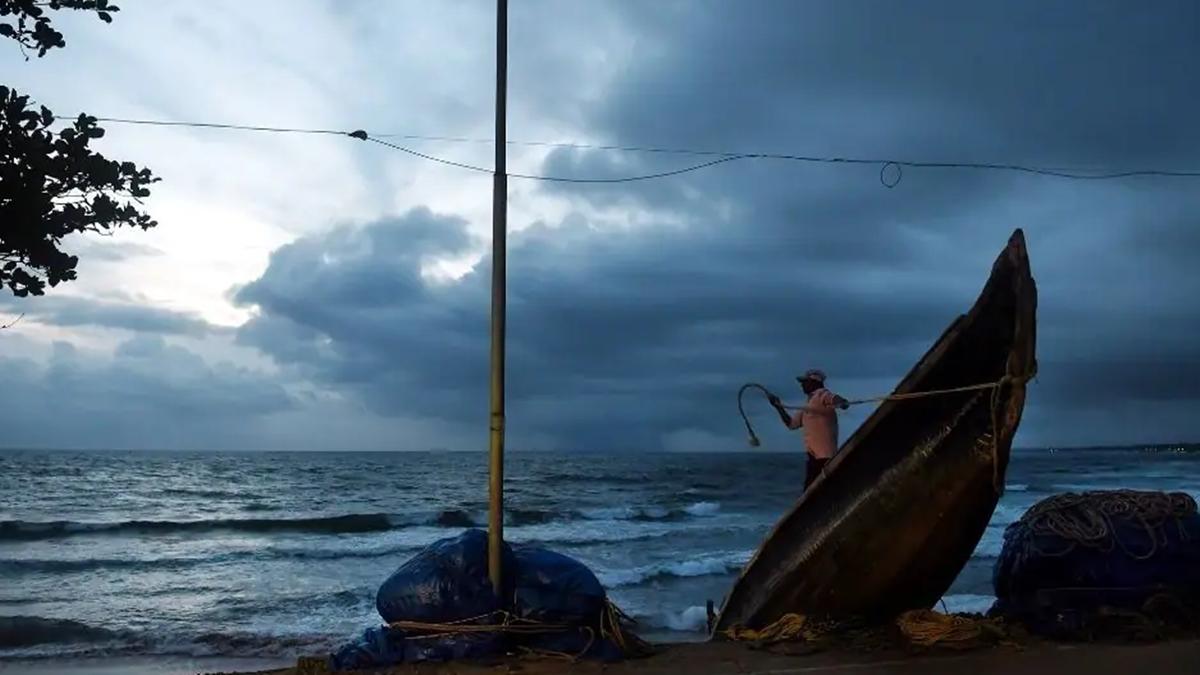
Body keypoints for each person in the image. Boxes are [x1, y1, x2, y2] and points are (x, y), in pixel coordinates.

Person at [768, 369, 850, 489]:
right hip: (814, 458)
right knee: (812, 492)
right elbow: (791, 424)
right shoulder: (808, 404)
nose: (802, 385)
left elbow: (834, 399)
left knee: (812, 492)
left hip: (825, 458)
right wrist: (778, 406)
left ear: (815, 382)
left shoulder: (822, 394)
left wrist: (842, 403)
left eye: (805, 382)